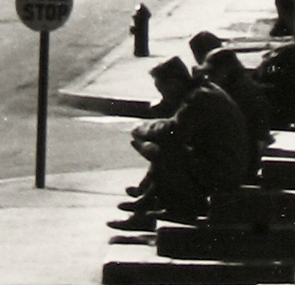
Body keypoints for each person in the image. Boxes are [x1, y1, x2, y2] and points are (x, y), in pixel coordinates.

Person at [110, 55, 247, 230]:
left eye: (163, 90)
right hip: (224, 164)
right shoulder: (204, 91)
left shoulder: (200, 98)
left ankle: (164, 210)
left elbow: (173, 131)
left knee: (166, 151)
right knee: (171, 149)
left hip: (224, 171)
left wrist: (143, 129)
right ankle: (149, 203)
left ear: (174, 83)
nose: (164, 96)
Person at [203, 45, 274, 180]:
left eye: (212, 73)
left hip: (239, 161)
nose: (208, 78)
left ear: (225, 70)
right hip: (241, 156)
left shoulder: (239, 94)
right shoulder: (239, 87)